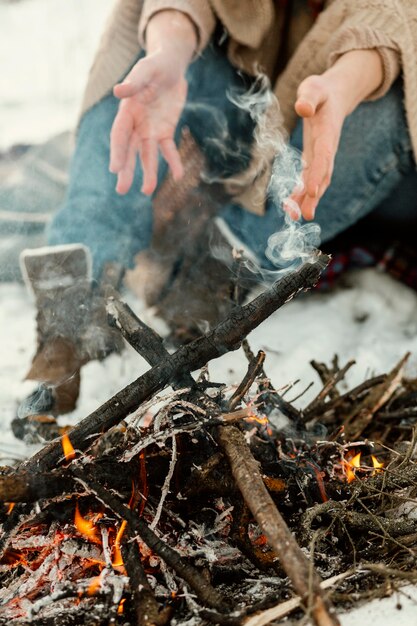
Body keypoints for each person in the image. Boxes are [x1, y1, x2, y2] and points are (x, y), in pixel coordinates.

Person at [16, 0, 417, 430]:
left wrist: (341, 88)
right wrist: (168, 54)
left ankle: (219, 272)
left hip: (363, 153)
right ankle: (73, 310)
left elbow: (393, 18)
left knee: (382, 102)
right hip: (254, 122)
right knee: (146, 67)